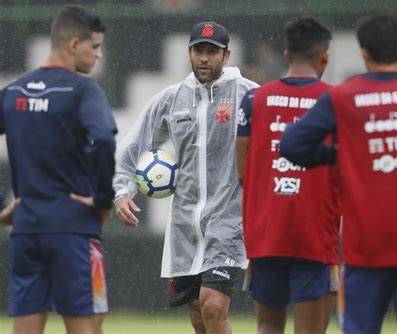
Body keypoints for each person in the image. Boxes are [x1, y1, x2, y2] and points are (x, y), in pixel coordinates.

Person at [280, 11, 397, 334]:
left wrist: (339, 153)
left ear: (365, 53)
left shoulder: (344, 97)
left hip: (364, 249)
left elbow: (291, 146)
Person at [113, 21, 259, 334]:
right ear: (189, 53)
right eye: (199, 51)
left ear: (226, 55)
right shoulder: (171, 99)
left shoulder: (249, 95)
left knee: (213, 304)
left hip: (229, 221)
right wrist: (122, 192)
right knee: (197, 313)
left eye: (212, 52)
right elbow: (133, 146)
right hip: (184, 228)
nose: (204, 58)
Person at [0, 6, 116, 334]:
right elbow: (104, 139)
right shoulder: (83, 91)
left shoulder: (14, 92)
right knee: (87, 326)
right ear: (73, 44)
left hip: (26, 228)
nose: (99, 54)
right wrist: (102, 199)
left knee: (25, 326)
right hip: (74, 229)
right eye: (94, 46)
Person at [235, 16, 339, 334]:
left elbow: (243, 172)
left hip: (266, 230)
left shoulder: (255, 99)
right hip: (314, 233)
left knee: (267, 326)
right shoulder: (336, 101)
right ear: (325, 56)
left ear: (286, 56)